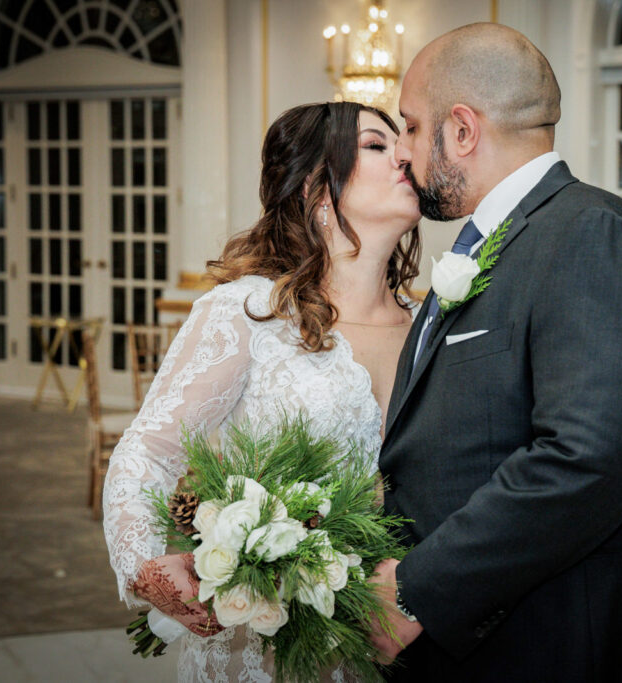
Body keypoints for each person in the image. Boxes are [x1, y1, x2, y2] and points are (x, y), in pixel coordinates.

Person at [368, 23, 622, 681]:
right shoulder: (494, 244)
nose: (402, 150)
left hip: (579, 639)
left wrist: (420, 587)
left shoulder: (592, 235)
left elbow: (589, 456)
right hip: (497, 635)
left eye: (411, 126)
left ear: (462, 130)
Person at [102, 101, 421, 682]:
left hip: (405, 640)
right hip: (264, 637)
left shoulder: (434, 326)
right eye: (376, 145)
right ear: (315, 188)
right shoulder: (248, 314)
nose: (404, 154)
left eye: (401, 142)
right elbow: (149, 452)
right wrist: (143, 561)